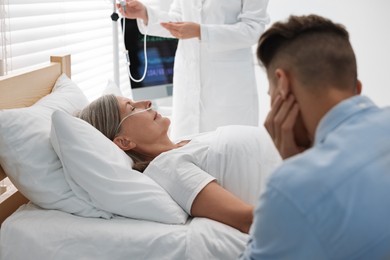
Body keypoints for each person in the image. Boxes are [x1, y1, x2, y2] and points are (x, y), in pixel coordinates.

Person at [241, 14, 390, 259]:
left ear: (283, 85)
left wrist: (293, 168)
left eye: (271, 93)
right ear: (357, 88)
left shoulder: (291, 187)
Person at [76, 94, 282, 234]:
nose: (146, 102)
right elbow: (247, 220)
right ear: (124, 141)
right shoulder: (168, 168)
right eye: (132, 107)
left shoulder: (184, 143)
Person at [117, 0, 270, 139]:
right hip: (188, 77)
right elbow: (177, 20)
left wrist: (202, 32)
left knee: (230, 151)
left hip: (228, 85)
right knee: (187, 151)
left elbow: (253, 29)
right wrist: (145, 14)